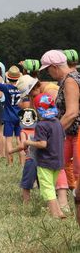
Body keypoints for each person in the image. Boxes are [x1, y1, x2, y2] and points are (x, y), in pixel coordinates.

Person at [40, 49, 80, 223]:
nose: (48, 73)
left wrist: (53, 134)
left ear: (55, 67)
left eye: (48, 69)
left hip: (76, 133)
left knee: (75, 172)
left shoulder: (70, 81)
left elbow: (72, 113)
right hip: (71, 134)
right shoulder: (73, 77)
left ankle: (67, 206)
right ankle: (64, 204)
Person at [21, 93, 66, 219]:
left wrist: (28, 142)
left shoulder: (41, 125)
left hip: (45, 162)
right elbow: (63, 138)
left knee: (47, 189)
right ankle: (59, 211)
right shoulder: (58, 122)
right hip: (58, 161)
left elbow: (42, 144)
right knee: (51, 187)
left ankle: (55, 214)